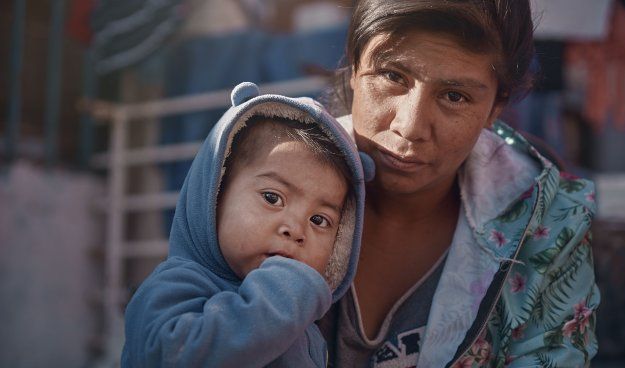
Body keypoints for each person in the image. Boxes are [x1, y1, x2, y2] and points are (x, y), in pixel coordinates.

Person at [318, 1, 600, 367]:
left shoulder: (549, 228)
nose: (410, 127)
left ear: (495, 108)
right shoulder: (264, 177)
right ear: (355, 68)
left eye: (455, 96)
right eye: (392, 76)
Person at [121, 82, 374, 367]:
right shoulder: (175, 286)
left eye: (319, 220)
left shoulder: (305, 325)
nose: (295, 229)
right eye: (272, 198)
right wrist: (281, 294)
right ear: (215, 195)